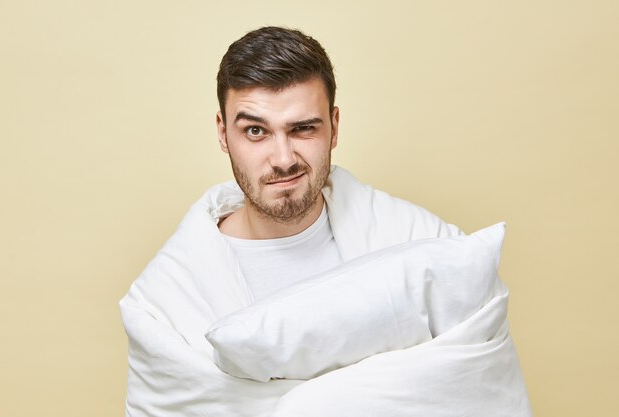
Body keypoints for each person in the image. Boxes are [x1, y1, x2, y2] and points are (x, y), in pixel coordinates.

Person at [120, 26, 531, 417]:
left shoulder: (424, 243)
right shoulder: (164, 303)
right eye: (256, 131)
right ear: (223, 133)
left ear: (333, 126)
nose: (283, 159)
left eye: (303, 129)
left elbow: (482, 388)